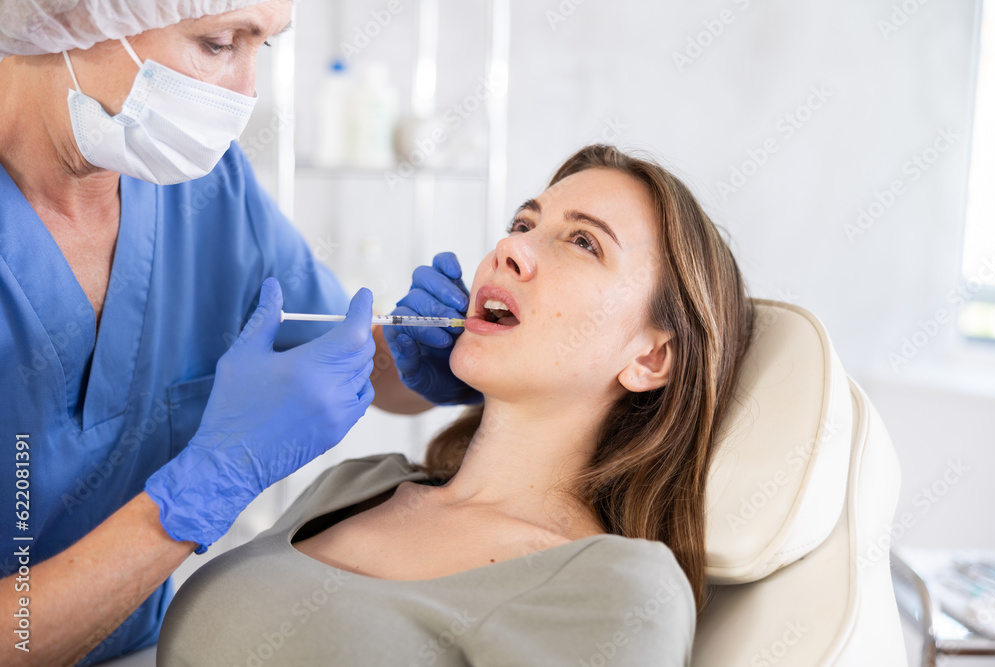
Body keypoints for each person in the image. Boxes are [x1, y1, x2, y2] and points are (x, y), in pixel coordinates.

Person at [0, 1, 479, 664]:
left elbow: (357, 361)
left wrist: (424, 353)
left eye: (266, 47)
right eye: (219, 42)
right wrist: (203, 486)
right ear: (72, 18)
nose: (248, 93)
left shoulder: (205, 193)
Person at [156, 144, 758, 666]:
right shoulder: (358, 484)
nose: (510, 249)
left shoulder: (617, 585)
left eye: (583, 241)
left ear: (652, 359)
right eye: (523, 224)